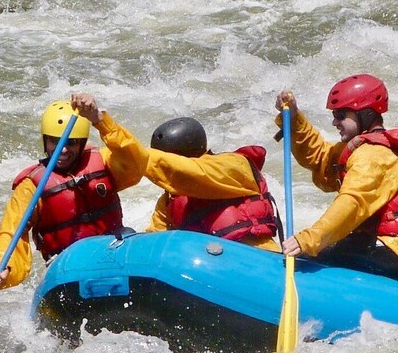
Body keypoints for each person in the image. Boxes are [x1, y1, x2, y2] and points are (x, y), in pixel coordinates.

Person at [275, 74, 398, 285]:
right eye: (335, 114)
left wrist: (308, 240)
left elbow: (353, 203)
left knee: (311, 257)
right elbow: (321, 158)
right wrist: (294, 118)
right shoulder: (360, 148)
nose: (335, 121)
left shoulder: (374, 156)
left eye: (341, 115)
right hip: (384, 246)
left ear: (367, 114)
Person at [72, 95, 281, 252]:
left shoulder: (235, 167)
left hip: (257, 258)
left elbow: (186, 173)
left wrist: (102, 122)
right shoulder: (169, 201)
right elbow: (155, 239)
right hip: (210, 269)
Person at [0, 95, 142, 289]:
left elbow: (136, 162)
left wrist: (99, 119)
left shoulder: (104, 161)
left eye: (72, 142)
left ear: (82, 143)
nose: (64, 149)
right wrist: (2, 268)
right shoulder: (31, 185)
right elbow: (12, 231)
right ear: (45, 141)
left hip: (112, 254)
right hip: (66, 268)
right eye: (55, 141)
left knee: (130, 236)